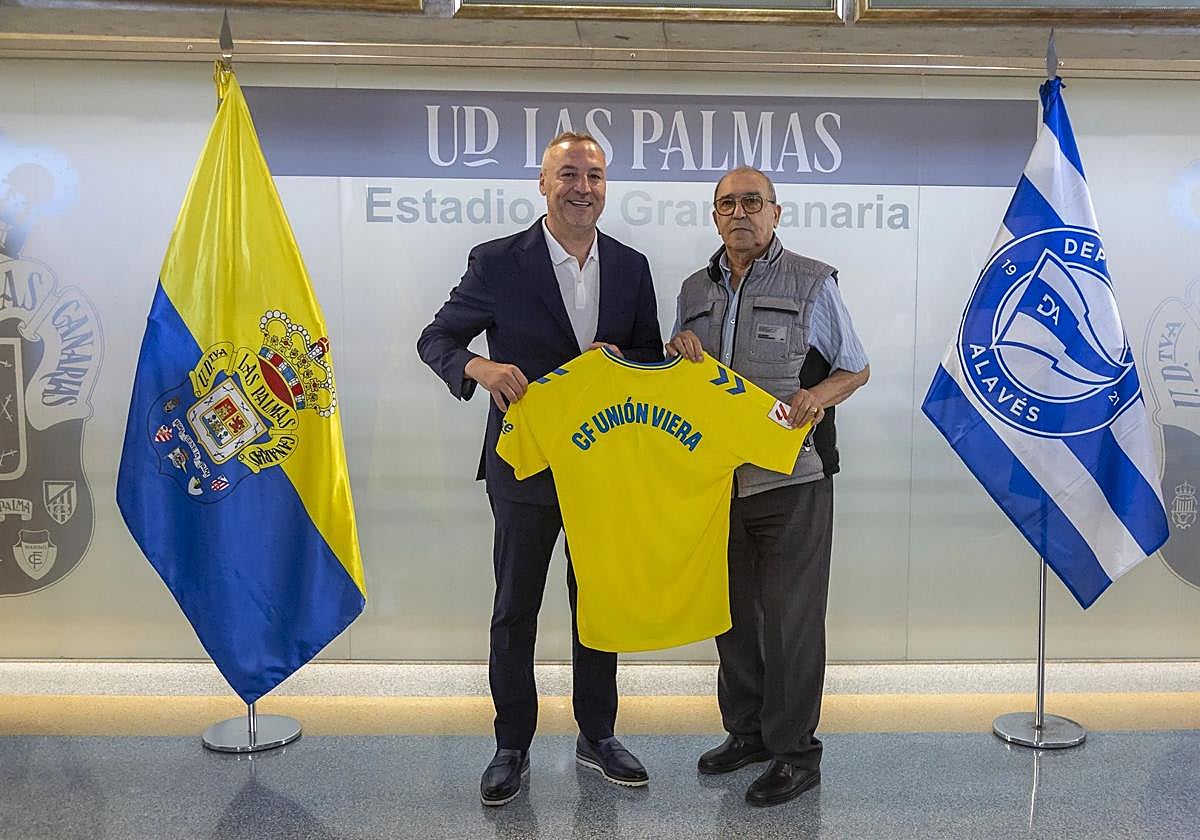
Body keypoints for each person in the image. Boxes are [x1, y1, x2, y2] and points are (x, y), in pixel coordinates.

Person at [417, 132, 663, 806]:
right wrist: (480, 367)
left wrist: (632, 359)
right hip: (523, 468)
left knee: (599, 606)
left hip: (604, 470)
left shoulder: (633, 265)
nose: (583, 187)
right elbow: (436, 339)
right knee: (515, 609)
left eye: (595, 174)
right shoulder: (498, 262)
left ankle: (598, 733)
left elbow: (646, 357)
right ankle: (511, 744)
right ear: (543, 183)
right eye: (569, 174)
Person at [667, 166, 869, 807]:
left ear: (776, 213)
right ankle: (747, 732)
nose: (739, 213)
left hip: (792, 480)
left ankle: (795, 752)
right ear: (715, 216)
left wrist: (817, 395)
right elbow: (685, 385)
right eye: (727, 204)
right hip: (716, 483)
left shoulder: (813, 281)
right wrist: (678, 358)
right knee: (732, 617)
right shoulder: (693, 290)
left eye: (752, 201)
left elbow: (856, 367)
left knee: (790, 622)